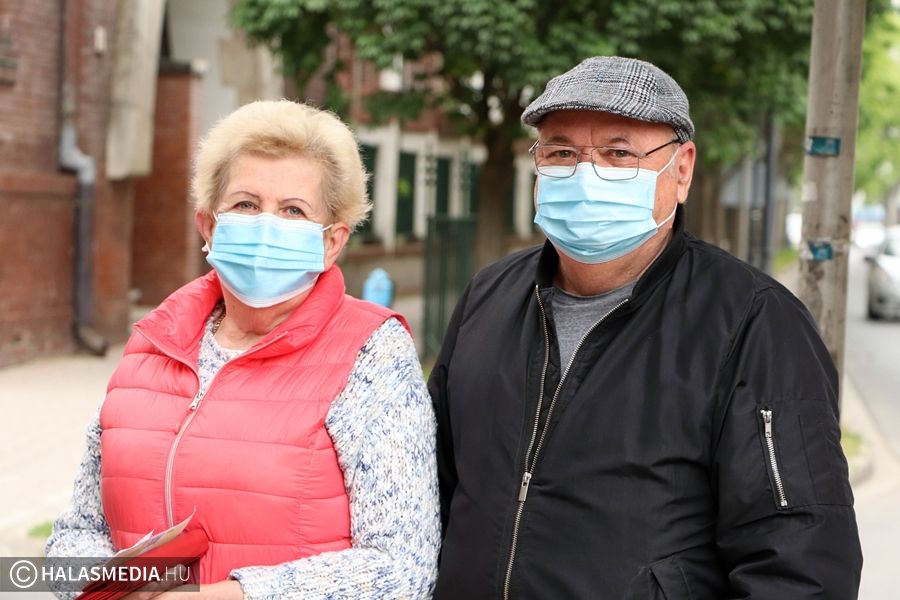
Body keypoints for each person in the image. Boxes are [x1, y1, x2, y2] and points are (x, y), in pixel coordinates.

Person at [429, 56, 862, 599]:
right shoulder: (488, 297)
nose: (585, 176)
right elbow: (431, 494)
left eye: (618, 154)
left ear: (681, 170)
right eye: (561, 153)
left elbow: (801, 567)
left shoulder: (755, 323)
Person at [46, 100, 440, 599]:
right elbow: (75, 534)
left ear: (332, 242)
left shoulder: (372, 352)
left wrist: (226, 596)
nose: (266, 226)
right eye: (246, 205)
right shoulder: (152, 342)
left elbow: (403, 568)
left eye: (293, 210)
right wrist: (109, 587)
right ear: (209, 225)